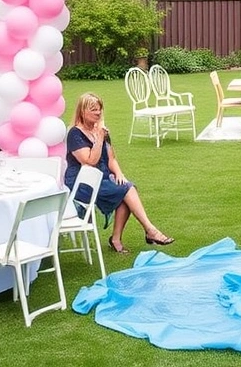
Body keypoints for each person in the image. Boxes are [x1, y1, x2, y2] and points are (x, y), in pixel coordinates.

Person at [65, 93, 174, 253]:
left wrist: (119, 174)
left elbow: (111, 159)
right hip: (82, 181)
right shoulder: (75, 134)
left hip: (102, 177)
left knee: (125, 187)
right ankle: (149, 231)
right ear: (82, 111)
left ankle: (118, 239)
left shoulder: (101, 131)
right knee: (128, 190)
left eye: (100, 109)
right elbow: (89, 161)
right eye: (93, 109)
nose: (98, 113)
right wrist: (99, 138)